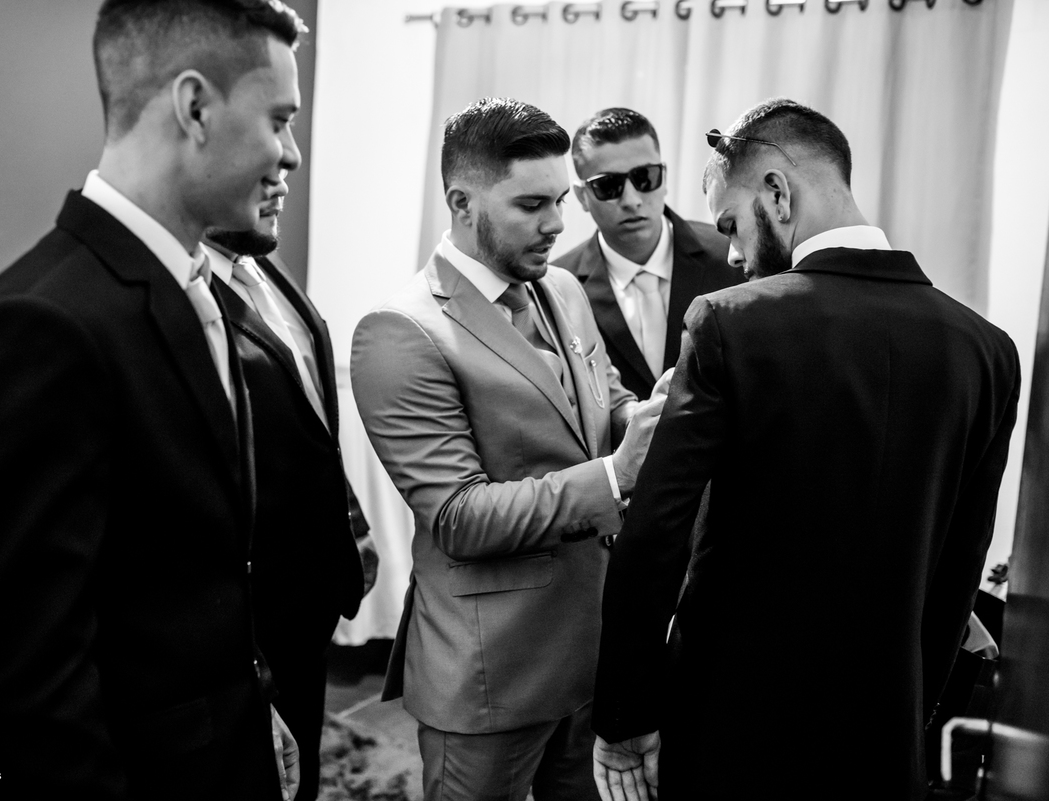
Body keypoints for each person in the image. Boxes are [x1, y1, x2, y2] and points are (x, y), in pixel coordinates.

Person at [590, 98, 1021, 801]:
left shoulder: (729, 324)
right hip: (884, 739)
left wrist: (624, 718)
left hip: (728, 728)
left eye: (731, 224)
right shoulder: (987, 351)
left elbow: (655, 535)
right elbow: (957, 568)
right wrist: (911, 715)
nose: (732, 254)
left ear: (778, 194)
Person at [0, 2, 307, 799]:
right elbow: (29, 692)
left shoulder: (197, 290)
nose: (291, 152)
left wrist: (252, 703)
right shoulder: (41, 326)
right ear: (195, 107)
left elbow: (195, 574)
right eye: (279, 120)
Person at [351, 97, 666, 801]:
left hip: (593, 653)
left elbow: (603, 405)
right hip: (490, 678)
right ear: (462, 203)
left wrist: (651, 417)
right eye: (531, 204)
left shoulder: (563, 287)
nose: (557, 223)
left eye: (560, 201)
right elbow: (459, 516)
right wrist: (616, 475)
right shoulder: (401, 331)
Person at [202, 170, 379, 801]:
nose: (284, 180)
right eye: (267, 162)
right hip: (251, 612)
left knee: (300, 765)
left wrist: (350, 529)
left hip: (309, 598)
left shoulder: (262, 268)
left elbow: (310, 421)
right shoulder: (185, 300)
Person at [555, 108, 743, 400]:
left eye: (644, 177)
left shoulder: (735, 258)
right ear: (582, 197)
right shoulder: (557, 288)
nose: (631, 200)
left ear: (663, 177)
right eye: (608, 185)